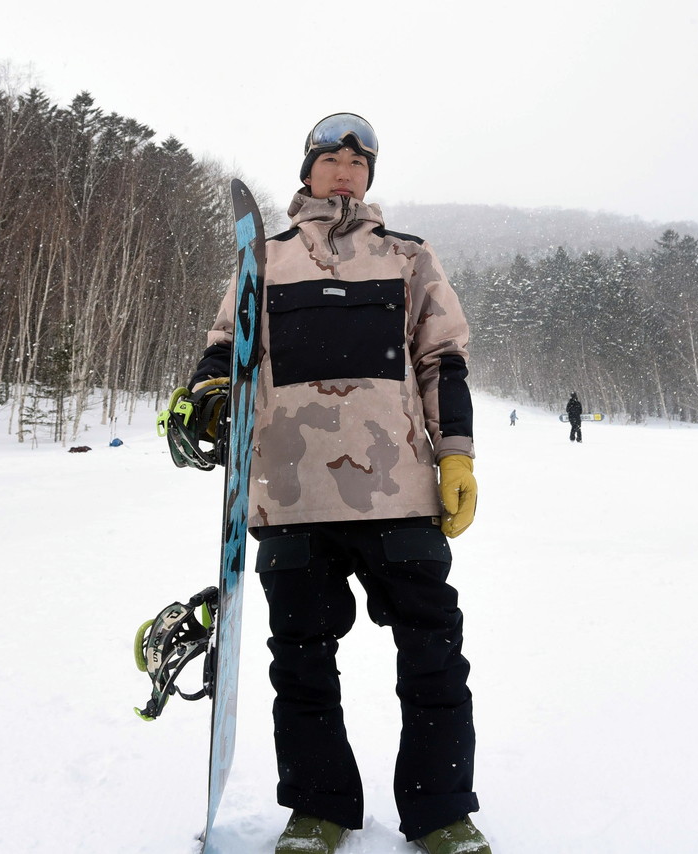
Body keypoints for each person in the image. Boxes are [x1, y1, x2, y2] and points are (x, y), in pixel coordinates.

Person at [179, 113, 489, 854]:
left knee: (433, 650)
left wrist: (456, 456)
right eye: (331, 157)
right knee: (302, 660)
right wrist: (205, 395)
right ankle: (318, 810)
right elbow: (226, 351)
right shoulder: (266, 259)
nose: (346, 169)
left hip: (400, 490)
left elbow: (443, 359)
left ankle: (441, 811)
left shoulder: (409, 257)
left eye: (360, 160)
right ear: (308, 169)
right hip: (288, 494)